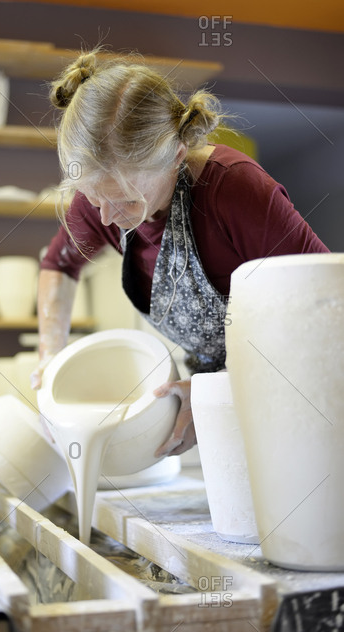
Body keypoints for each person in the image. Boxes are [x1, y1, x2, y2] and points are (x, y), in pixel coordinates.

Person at [31, 48, 330, 457]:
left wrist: (221, 388)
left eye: (125, 201)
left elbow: (326, 307)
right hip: (220, 401)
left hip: (302, 393)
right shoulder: (104, 198)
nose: (106, 216)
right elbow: (59, 266)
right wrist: (50, 361)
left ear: (175, 156)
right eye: (91, 196)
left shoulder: (235, 190)